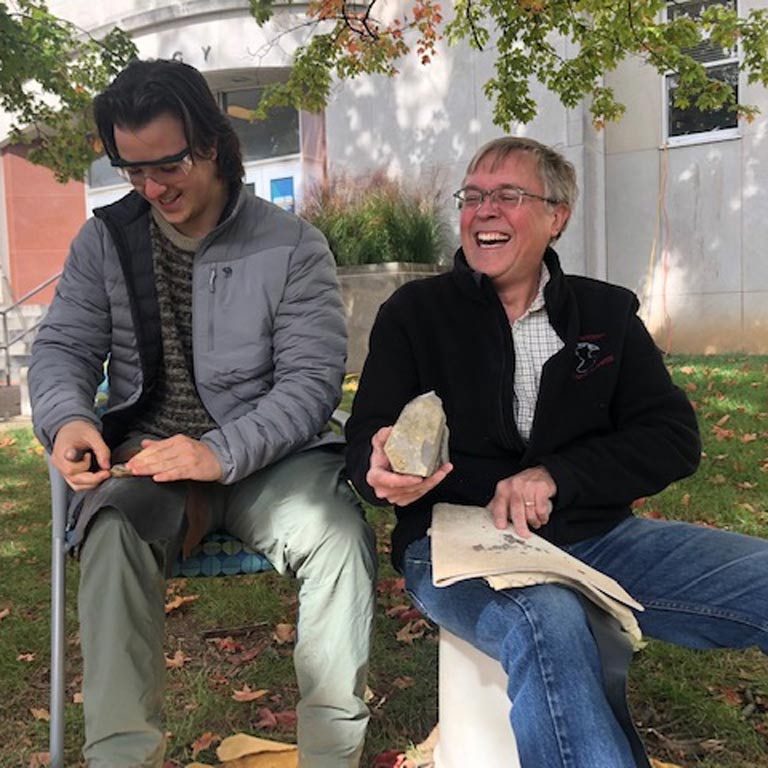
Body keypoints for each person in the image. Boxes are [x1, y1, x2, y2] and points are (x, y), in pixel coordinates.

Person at [345, 136, 768, 767]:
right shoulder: (416, 313)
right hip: (456, 539)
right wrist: (378, 470)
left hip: (595, 533)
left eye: (508, 196)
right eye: (473, 196)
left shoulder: (605, 313)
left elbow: (673, 437)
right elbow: (366, 435)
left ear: (556, 216)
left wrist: (558, 476)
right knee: (547, 618)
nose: (484, 211)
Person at [29, 58, 377, 768]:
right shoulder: (104, 243)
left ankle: (333, 757)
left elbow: (312, 385)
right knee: (108, 530)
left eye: (168, 164)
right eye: (132, 171)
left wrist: (220, 452)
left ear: (212, 143)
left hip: (274, 464)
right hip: (152, 465)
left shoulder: (292, 245)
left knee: (338, 537)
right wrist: (67, 421)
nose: (153, 188)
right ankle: (121, 758)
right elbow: (62, 348)